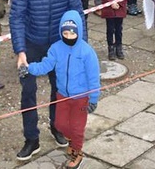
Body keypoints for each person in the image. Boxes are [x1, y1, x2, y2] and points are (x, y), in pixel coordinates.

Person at [9, 0, 85, 161]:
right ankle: (31, 138)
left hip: (59, 44)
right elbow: (17, 17)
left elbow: (76, 12)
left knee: (60, 88)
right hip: (32, 43)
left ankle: (57, 126)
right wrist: (20, 50)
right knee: (28, 91)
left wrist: (80, 46)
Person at [26, 11, 100, 169]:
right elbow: (45, 65)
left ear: (79, 32)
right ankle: (73, 141)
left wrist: (93, 98)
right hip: (62, 96)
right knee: (60, 124)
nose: (69, 36)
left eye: (72, 33)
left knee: (77, 128)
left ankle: (77, 152)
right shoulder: (56, 48)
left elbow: (94, 77)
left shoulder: (87, 52)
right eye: (65, 33)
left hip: (81, 97)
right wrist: (29, 68)